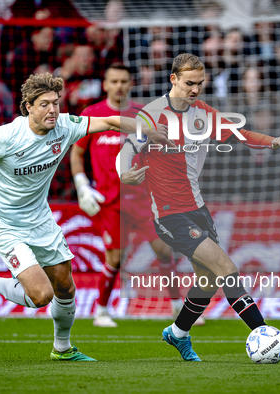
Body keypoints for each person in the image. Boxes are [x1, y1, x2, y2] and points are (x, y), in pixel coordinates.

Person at [117, 53, 280, 361]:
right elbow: (128, 147)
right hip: (170, 213)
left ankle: (178, 333)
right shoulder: (152, 113)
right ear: (174, 80)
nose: (196, 90)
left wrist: (271, 140)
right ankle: (268, 336)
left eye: (201, 83)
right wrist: (123, 173)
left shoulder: (202, 113)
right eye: (189, 83)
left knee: (207, 280)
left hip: (198, 208)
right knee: (226, 269)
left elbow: (238, 133)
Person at [0, 72, 168, 361]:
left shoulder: (65, 126)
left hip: (41, 220)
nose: (53, 110)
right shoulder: (6, 135)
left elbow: (110, 121)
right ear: (28, 106)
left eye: (56, 103)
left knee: (66, 286)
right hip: (6, 223)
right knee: (40, 296)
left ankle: (63, 348)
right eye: (44, 104)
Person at [70, 63, 192, 327]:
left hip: (143, 199)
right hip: (110, 201)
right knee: (114, 257)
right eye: (113, 81)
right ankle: (101, 310)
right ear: (105, 85)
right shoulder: (93, 115)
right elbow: (77, 153)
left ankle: (175, 307)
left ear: (131, 84)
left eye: (123, 81)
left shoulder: (142, 114)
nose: (119, 86)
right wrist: (82, 186)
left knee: (163, 249)